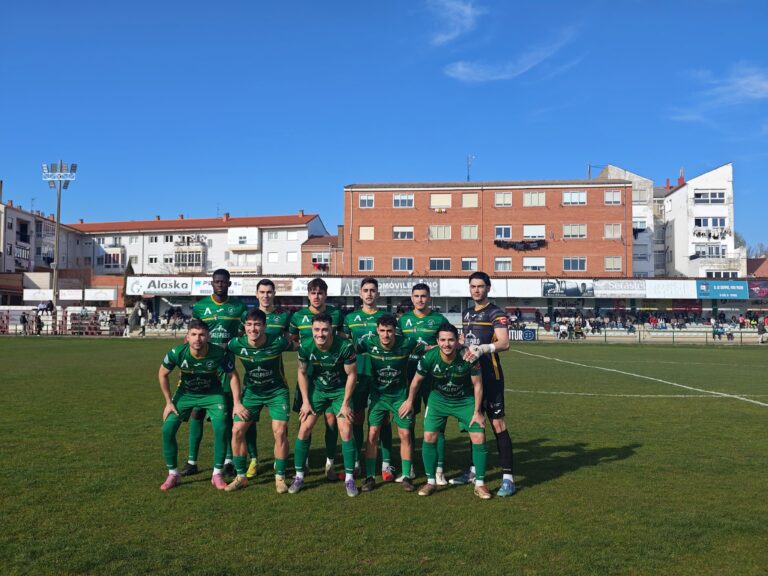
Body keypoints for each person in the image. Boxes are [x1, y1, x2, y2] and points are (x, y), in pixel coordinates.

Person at [399, 322, 491, 499]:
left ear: (458, 341)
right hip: (438, 400)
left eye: (450, 340)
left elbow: (478, 385)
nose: (446, 344)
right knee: (429, 436)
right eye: (442, 340)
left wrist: (477, 411)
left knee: (479, 435)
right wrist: (410, 401)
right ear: (437, 341)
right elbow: (416, 381)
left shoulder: (469, 357)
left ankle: (480, 484)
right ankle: (431, 481)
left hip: (464, 400)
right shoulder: (429, 357)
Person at [157, 319, 239, 491]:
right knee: (167, 429)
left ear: (208, 336)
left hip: (212, 395)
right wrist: (168, 402)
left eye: (202, 335)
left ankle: (216, 474)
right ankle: (173, 474)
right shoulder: (177, 353)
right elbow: (162, 373)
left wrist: (237, 403)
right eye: (194, 334)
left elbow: (232, 375)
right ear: (187, 336)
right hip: (185, 395)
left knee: (221, 427)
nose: (198, 339)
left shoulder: (218, 353)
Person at [182, 269, 247, 478]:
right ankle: (192, 461)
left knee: (226, 413)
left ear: (229, 283)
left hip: (226, 366)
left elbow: (248, 330)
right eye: (217, 281)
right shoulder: (201, 306)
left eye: (224, 282)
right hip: (204, 367)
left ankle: (228, 460)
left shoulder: (238, 307)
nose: (220, 284)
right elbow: (191, 335)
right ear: (212, 283)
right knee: (197, 412)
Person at [456, 271, 516, 497]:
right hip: (472, 376)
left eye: (480, 286)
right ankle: (474, 471)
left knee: (498, 425)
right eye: (473, 286)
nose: (476, 290)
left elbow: (504, 342)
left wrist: (484, 348)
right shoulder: (467, 312)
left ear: (488, 288)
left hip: (491, 376)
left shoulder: (495, 312)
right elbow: (466, 341)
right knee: (475, 423)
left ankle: (508, 478)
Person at [225, 308, 296, 493]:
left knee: (280, 431)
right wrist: (237, 402)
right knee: (237, 430)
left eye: (257, 324)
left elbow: (301, 345)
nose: (253, 329)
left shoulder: (278, 341)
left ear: (265, 326)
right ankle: (241, 476)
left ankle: (280, 478)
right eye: (249, 325)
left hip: (277, 392)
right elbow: (224, 362)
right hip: (251, 394)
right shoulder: (236, 344)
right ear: (244, 326)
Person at [288, 313, 359, 496]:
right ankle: (299, 476)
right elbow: (302, 373)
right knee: (304, 428)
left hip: (339, 391)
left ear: (332, 330)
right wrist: (305, 401)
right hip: (318, 390)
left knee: (346, 429)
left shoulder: (345, 346)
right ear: (311, 330)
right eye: (317, 330)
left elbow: (351, 375)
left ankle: (350, 479)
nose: (321, 334)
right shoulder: (305, 346)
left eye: (325, 330)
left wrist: (345, 404)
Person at [356, 315, 423, 493]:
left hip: (400, 397)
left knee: (405, 433)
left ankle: (407, 476)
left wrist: (459, 347)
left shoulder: (407, 342)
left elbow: (429, 349)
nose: (386, 335)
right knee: (372, 434)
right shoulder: (368, 343)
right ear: (377, 330)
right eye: (382, 331)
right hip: (378, 397)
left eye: (390, 331)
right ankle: (370, 477)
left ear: (395, 331)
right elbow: (348, 349)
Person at [288, 278, 344, 481]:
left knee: (331, 420)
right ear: (308, 295)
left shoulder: (336, 314)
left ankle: (330, 461)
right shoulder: (298, 316)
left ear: (326, 295)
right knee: (306, 417)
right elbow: (293, 339)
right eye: (313, 292)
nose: (316, 296)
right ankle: (305, 460)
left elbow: (341, 337)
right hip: (307, 375)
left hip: (330, 375)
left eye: (320, 292)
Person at [397, 282, 449, 484]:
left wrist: (431, 348)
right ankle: (408, 468)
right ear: (411, 298)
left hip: (433, 378)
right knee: (407, 421)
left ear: (430, 298)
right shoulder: (403, 321)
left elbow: (447, 342)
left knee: (437, 424)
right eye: (416, 296)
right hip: (408, 377)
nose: (420, 299)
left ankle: (439, 469)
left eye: (424, 296)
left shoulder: (438, 319)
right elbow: (398, 346)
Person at [342, 277, 389, 480]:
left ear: (377, 294)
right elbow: (346, 344)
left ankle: (387, 465)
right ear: (360, 293)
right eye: (366, 290)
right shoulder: (350, 318)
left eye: (373, 290)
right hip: (359, 373)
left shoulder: (386, 317)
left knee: (384, 419)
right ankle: (357, 461)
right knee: (358, 418)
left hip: (382, 374)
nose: (369, 294)